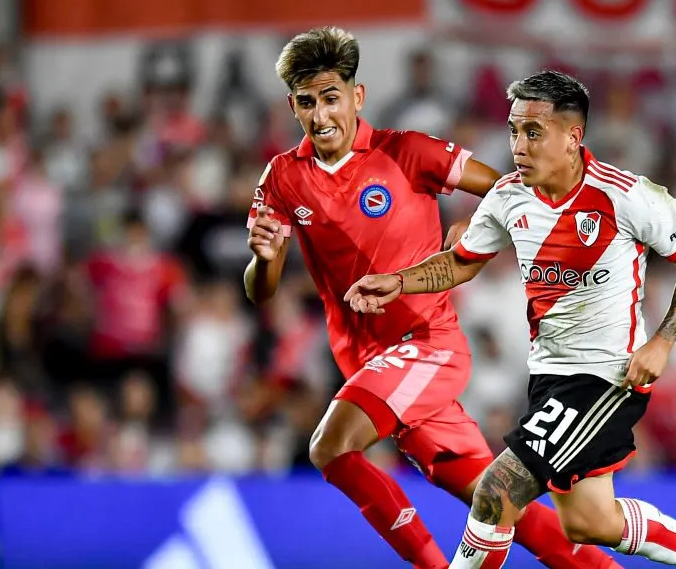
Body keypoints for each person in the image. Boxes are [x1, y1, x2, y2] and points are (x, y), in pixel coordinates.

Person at [345, 71, 676, 569]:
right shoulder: (507, 197)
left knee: (496, 493)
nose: (518, 146)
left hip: (607, 374)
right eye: (513, 131)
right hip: (550, 375)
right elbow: (462, 261)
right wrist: (399, 281)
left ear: (573, 137)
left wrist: (663, 342)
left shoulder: (624, 195)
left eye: (533, 133)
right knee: (589, 522)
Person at [245, 28, 621, 569]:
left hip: (426, 345)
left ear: (357, 96)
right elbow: (262, 291)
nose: (321, 115)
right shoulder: (282, 177)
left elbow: (513, 191)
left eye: (331, 98)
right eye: (307, 103)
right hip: (367, 364)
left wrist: (479, 221)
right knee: (494, 500)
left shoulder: (408, 152)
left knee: (330, 446)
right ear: (293, 106)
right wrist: (261, 260)